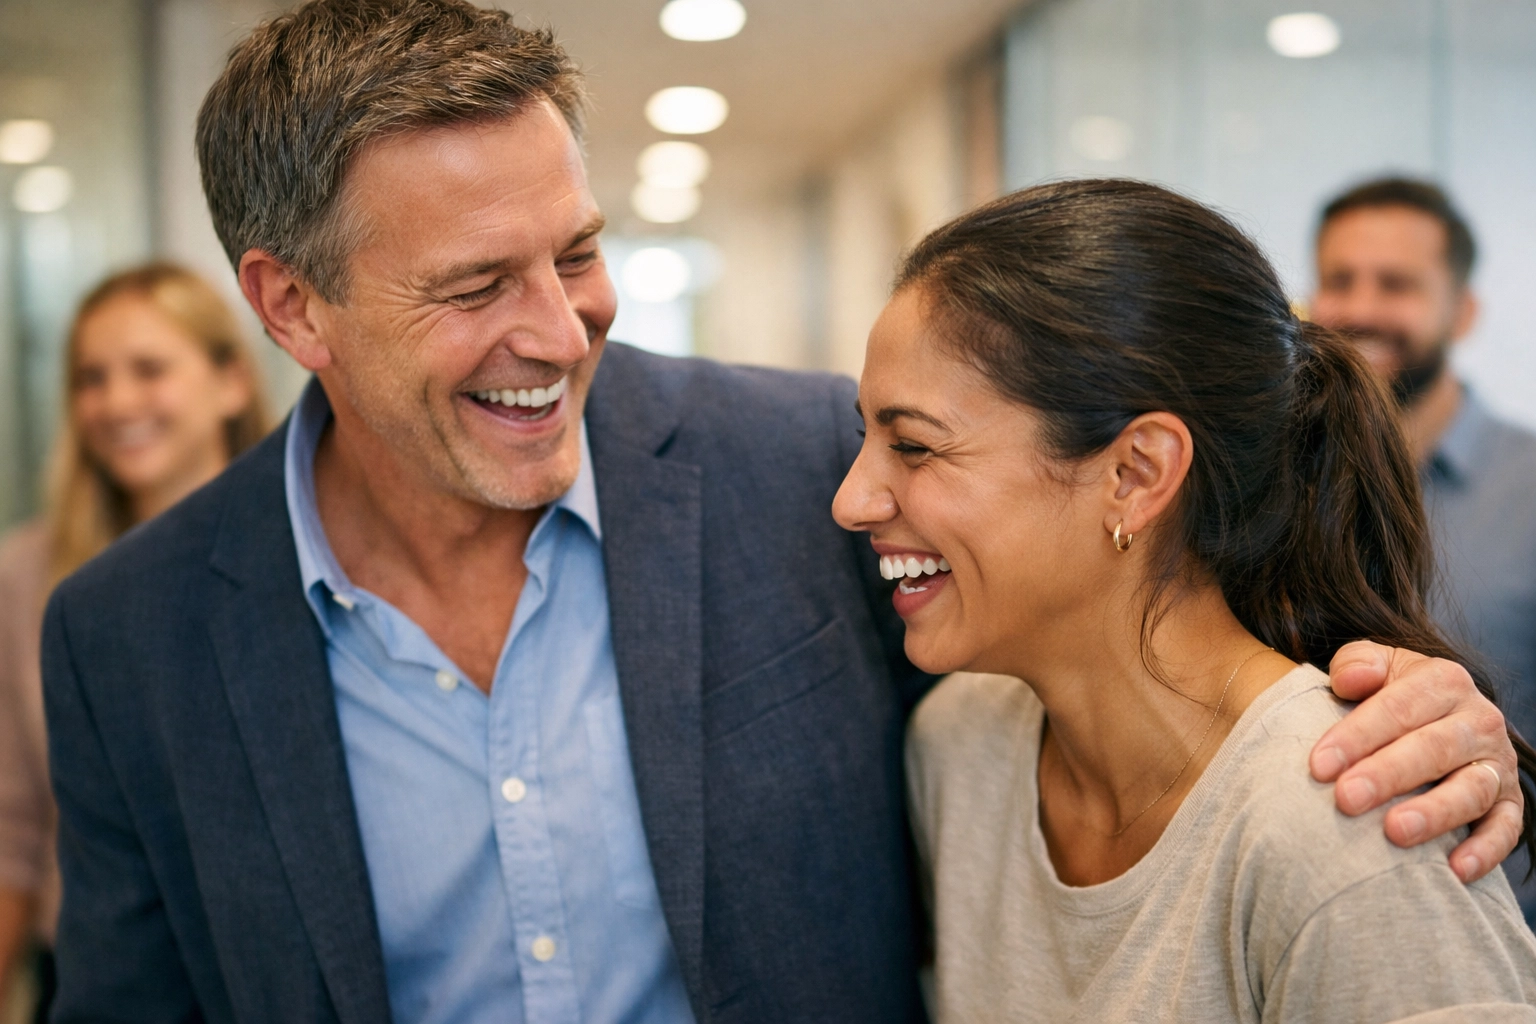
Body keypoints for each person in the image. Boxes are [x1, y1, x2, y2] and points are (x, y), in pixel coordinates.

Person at [38, 3, 1524, 1021]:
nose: (560, 331)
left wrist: (1432, 725)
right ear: (291, 305)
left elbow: (1142, 636)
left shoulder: (800, 470)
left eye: (577, 252)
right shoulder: (132, 638)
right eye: (476, 286)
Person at [833, 179, 1536, 1022]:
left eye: (913, 445)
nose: (852, 499)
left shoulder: (1342, 820)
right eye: (866, 436)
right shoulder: (959, 748)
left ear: (1135, 475)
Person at [0, 263, 268, 1017]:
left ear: (231, 383)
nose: (116, 402)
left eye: (149, 370)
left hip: (267, 976)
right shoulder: (29, 575)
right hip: (97, 974)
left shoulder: (309, 554)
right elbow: (12, 827)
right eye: (91, 377)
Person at [1311, 176, 1536, 922]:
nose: (1363, 308)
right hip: (1309, 917)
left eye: (1397, 284)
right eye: (1340, 280)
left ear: (1463, 311)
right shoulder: (1271, 495)